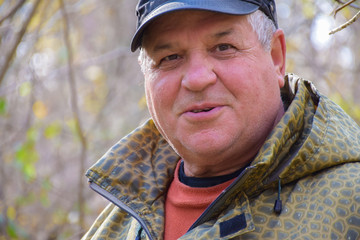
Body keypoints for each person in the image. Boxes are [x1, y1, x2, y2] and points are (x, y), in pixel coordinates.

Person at [82, 0, 360, 239]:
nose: (197, 79)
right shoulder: (118, 224)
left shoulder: (351, 205)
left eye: (223, 47)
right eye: (170, 57)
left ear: (276, 57)